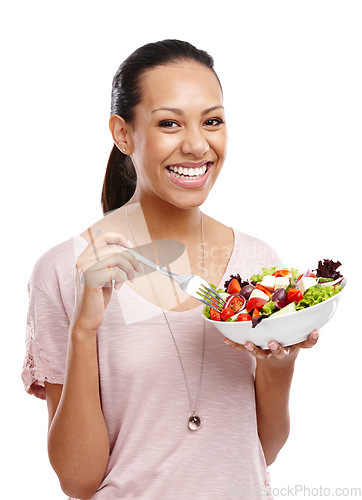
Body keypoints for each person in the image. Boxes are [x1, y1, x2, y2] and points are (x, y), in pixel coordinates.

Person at [21, 39, 319, 500]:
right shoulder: (65, 269)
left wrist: (281, 366)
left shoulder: (258, 265)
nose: (198, 145)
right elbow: (78, 482)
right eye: (169, 123)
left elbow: (264, 449)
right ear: (123, 134)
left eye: (212, 121)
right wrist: (84, 330)